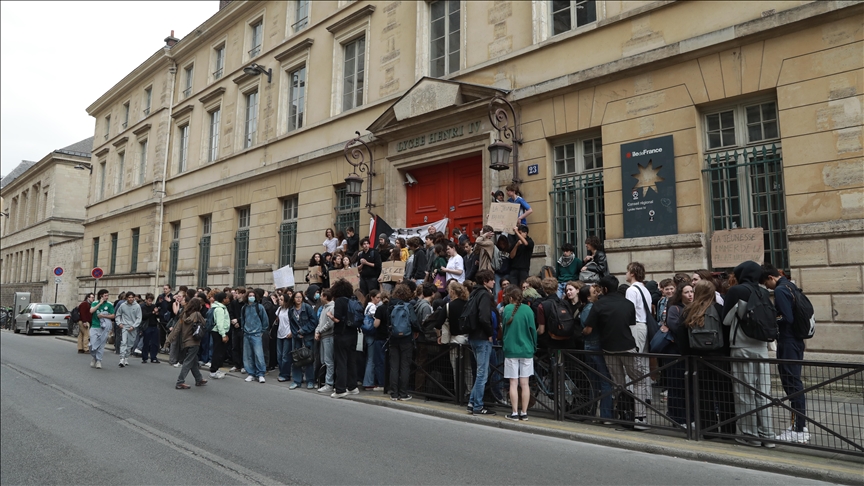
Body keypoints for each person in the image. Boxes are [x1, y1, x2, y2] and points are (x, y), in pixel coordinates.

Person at [582, 276, 649, 430]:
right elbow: (631, 325)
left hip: (608, 348)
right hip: (627, 346)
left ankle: (623, 414)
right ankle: (640, 417)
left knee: (618, 384)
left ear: (604, 289)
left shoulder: (599, 305)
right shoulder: (628, 304)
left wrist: (582, 332)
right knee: (638, 380)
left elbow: (589, 329)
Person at [722, 261, 774, 447]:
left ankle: (749, 435)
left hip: (741, 347)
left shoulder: (737, 291)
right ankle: (767, 435)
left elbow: (725, 320)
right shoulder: (763, 292)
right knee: (763, 392)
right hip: (761, 347)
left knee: (745, 392)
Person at [676, 280, 736, 435]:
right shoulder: (720, 309)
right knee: (725, 395)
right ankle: (728, 430)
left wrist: (687, 355)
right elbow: (728, 332)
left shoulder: (688, 311)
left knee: (703, 395)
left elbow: (680, 336)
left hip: (698, 359)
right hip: (720, 358)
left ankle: (708, 430)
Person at [762, 263, 809, 444]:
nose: (767, 287)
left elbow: (786, 317)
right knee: (794, 382)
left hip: (788, 341)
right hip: (796, 341)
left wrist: (772, 319)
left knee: (792, 383)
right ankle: (798, 425)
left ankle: (799, 429)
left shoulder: (781, 290)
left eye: (766, 283)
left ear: (771, 278)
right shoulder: (791, 286)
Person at [577, 284, 614, 421]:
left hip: (589, 347)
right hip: (595, 346)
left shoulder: (586, 308)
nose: (597, 294)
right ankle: (606, 415)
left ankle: (592, 413)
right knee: (605, 381)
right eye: (593, 292)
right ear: (588, 296)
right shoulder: (592, 308)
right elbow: (589, 329)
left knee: (594, 382)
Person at [501, 285, 538, 421]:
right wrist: (534, 345)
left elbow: (504, 329)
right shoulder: (528, 310)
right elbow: (533, 330)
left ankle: (514, 412)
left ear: (510, 298)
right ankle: (524, 412)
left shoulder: (507, 309)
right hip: (526, 349)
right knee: (525, 383)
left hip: (511, 349)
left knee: (513, 383)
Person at [377, 284, 418, 401]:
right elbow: (414, 321)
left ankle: (394, 393)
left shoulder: (390, 306)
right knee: (405, 366)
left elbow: (388, 322)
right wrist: (418, 330)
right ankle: (403, 393)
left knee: (394, 366)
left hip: (393, 338)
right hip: (406, 339)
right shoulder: (408, 306)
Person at [663, 283, 694, 426]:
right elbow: (675, 327)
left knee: (690, 387)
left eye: (691, 292)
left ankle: (691, 417)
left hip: (690, 352)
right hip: (675, 352)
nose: (690, 295)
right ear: (680, 294)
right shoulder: (675, 309)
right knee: (676, 386)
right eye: (686, 292)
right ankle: (678, 418)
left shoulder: (694, 308)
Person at [467, 269, 496, 415]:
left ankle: (472, 402)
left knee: (481, 372)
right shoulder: (484, 294)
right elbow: (484, 317)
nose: (494, 282)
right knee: (482, 374)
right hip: (482, 337)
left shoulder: (474, 293)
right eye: (491, 279)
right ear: (485, 281)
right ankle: (478, 406)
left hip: (473, 336)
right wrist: (490, 333)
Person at [624, 262, 653, 397]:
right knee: (643, 361)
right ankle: (646, 395)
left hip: (636, 325)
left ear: (632, 273)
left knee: (633, 362)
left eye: (627, 271)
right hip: (644, 325)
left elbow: (629, 311)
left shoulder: (631, 290)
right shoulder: (644, 289)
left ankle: (634, 395)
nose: (626, 274)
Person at [328, 279, 360, 398]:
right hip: (353, 333)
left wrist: (330, 315)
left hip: (341, 334)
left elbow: (337, 319)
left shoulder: (340, 301)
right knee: (351, 360)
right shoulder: (353, 300)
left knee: (341, 361)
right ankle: (352, 386)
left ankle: (340, 389)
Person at [166, 297, 207, 389]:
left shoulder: (183, 314)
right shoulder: (197, 314)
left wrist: (168, 340)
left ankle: (199, 379)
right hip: (194, 341)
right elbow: (205, 324)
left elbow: (177, 328)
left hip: (184, 341)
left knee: (194, 361)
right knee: (188, 362)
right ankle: (180, 381)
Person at [287, 290, 317, 389]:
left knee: (308, 359)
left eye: (300, 297)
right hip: (296, 339)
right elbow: (291, 325)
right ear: (293, 299)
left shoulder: (307, 308)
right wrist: (296, 334)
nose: (298, 299)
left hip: (307, 337)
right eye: (296, 297)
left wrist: (303, 331)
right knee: (296, 360)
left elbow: (314, 322)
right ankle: (297, 381)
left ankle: (310, 381)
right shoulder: (291, 310)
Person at [242, 289, 269, 383]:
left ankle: (261, 373)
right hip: (247, 333)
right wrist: (243, 329)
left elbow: (265, 320)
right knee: (248, 355)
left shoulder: (260, 307)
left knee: (259, 355)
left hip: (257, 334)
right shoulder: (244, 308)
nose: (251, 297)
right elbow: (243, 319)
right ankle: (251, 373)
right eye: (250, 295)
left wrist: (262, 331)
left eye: (253, 295)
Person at [315, 289, 336, 393]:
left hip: (328, 336)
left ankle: (329, 383)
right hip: (323, 336)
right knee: (324, 360)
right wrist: (317, 331)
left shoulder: (332, 307)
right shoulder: (323, 308)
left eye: (322, 295)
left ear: (325, 297)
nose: (320, 297)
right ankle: (325, 381)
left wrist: (320, 331)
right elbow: (320, 322)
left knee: (328, 361)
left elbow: (330, 324)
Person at [88, 290, 115, 369]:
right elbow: (91, 311)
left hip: (104, 328)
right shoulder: (95, 303)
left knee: (101, 346)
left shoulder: (109, 304)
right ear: (101, 296)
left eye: (107, 295)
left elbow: (113, 315)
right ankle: (94, 357)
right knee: (92, 345)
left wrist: (103, 316)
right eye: (105, 295)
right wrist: (99, 303)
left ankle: (98, 361)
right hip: (94, 326)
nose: (107, 297)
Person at [114, 292, 142, 368]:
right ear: (126, 298)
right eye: (129, 297)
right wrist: (119, 323)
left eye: (132, 297)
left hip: (133, 328)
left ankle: (126, 357)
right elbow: (118, 315)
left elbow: (139, 318)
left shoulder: (137, 306)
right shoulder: (123, 305)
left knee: (130, 344)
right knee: (123, 342)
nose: (130, 299)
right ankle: (121, 359)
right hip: (124, 326)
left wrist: (133, 326)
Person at [208, 292, 230, 379]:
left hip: (218, 332)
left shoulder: (219, 307)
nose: (228, 299)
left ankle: (216, 369)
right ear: (223, 299)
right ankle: (213, 371)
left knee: (219, 351)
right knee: (218, 352)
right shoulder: (220, 309)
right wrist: (223, 335)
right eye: (227, 298)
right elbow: (219, 324)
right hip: (218, 332)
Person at [274, 293, 293, 383]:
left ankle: (285, 374)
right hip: (279, 334)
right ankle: (282, 372)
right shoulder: (279, 309)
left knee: (285, 356)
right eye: (279, 299)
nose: (279, 301)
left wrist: (292, 332)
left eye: (281, 299)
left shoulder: (290, 310)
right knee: (279, 356)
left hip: (287, 334)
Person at [228, 288, 245, 372]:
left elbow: (246, 315)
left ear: (242, 294)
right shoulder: (234, 303)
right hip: (235, 327)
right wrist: (234, 321)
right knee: (235, 346)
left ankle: (243, 365)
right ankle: (236, 364)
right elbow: (230, 313)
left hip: (242, 327)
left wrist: (238, 320)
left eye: (237, 293)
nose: (235, 295)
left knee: (242, 346)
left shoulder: (245, 304)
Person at [139, 293, 160, 364]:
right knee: (146, 342)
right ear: (146, 300)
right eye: (149, 301)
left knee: (155, 343)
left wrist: (157, 313)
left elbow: (157, 316)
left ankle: (153, 357)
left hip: (154, 325)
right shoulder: (143, 307)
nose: (150, 302)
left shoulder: (154, 306)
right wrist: (153, 312)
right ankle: (144, 357)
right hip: (147, 326)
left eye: (151, 301)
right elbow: (144, 316)